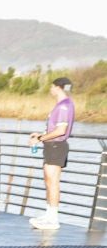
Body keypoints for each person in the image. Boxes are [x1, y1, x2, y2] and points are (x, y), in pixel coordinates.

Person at [29, 76, 75, 230]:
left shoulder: (63, 106)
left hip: (57, 146)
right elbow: (54, 128)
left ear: (58, 87)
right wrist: (41, 135)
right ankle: (49, 214)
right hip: (51, 146)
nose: (50, 89)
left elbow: (61, 130)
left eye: (51, 86)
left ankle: (53, 220)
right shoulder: (62, 105)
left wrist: (40, 138)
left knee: (53, 182)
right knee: (48, 181)